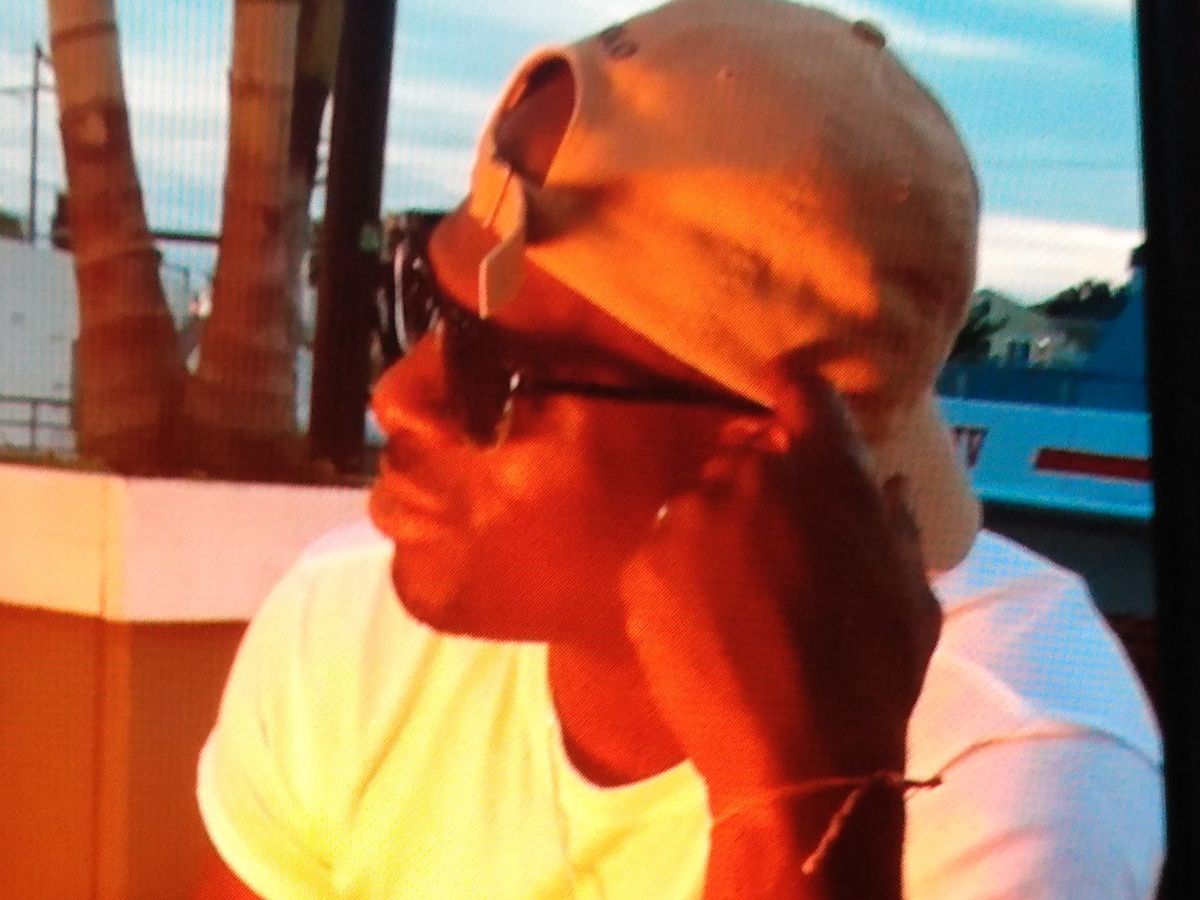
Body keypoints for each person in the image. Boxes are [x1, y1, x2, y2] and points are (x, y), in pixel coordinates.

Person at [197, 1, 1164, 897]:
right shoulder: (350, 628)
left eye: (493, 368)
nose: (396, 398)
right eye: (424, 301)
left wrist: (808, 802)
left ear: (772, 454)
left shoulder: (1016, 767)